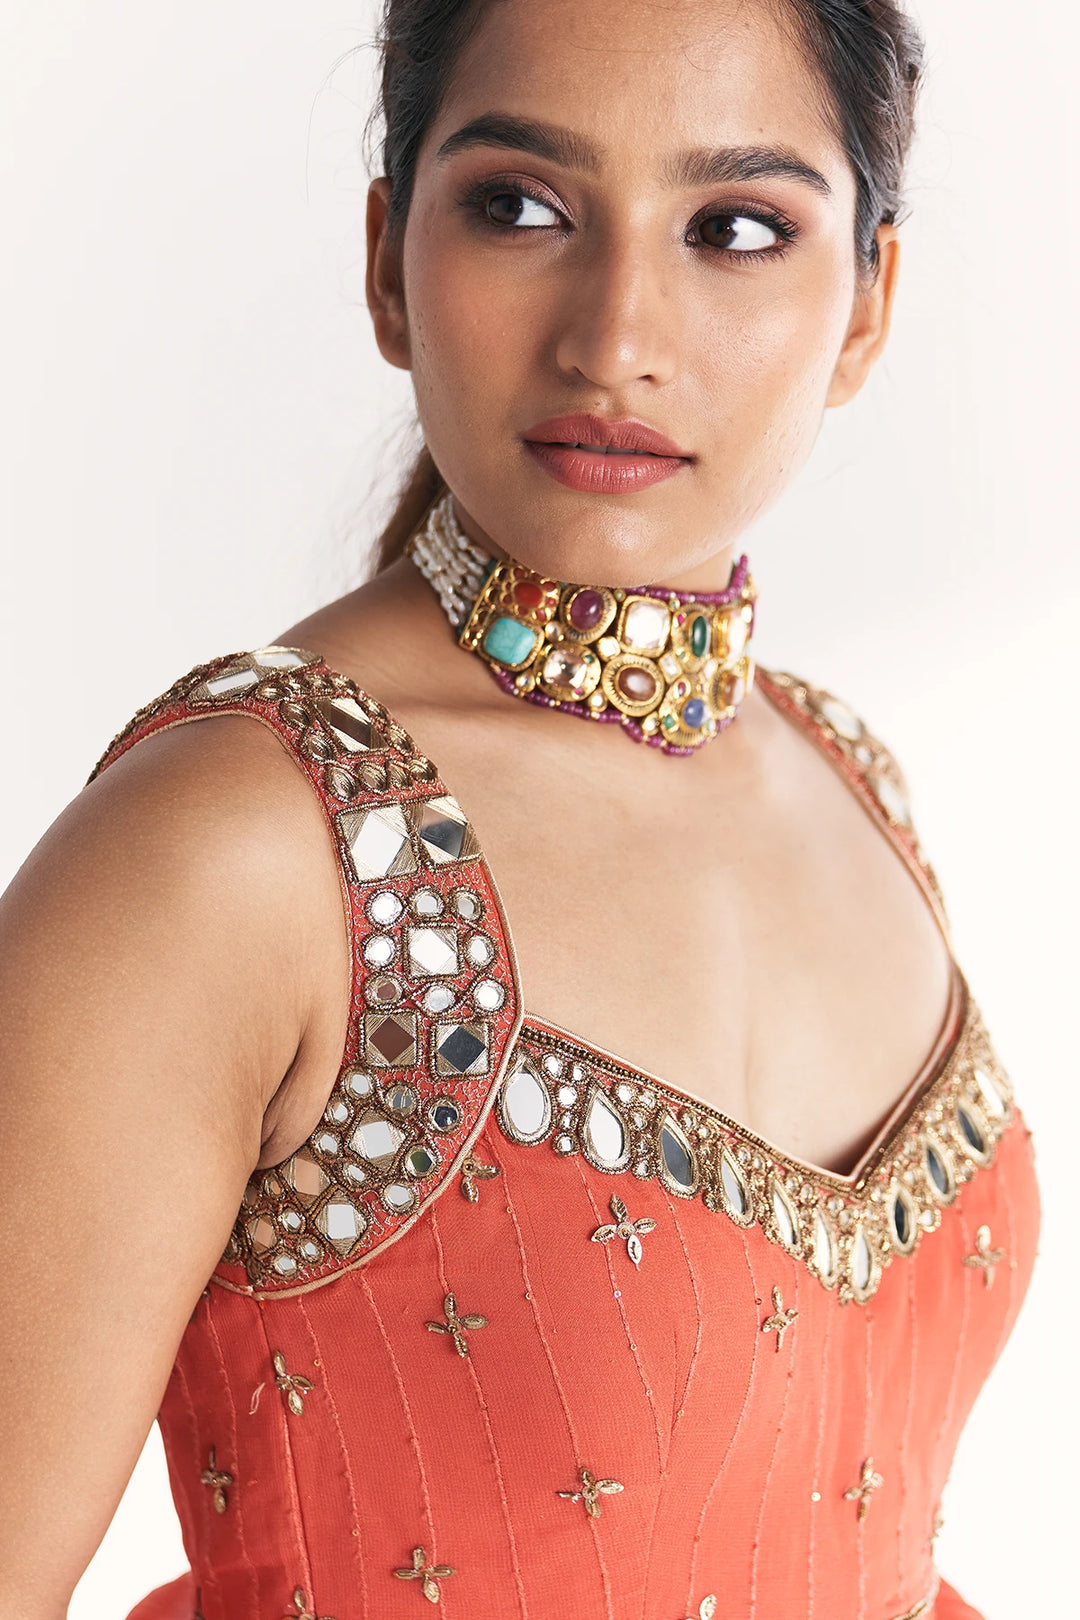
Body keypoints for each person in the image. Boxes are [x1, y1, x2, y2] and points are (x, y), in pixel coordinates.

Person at [0, 1, 1041, 1617]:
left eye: (737, 229)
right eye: (523, 206)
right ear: (386, 261)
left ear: (867, 306)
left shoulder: (855, 779)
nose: (616, 336)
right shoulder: (230, 851)